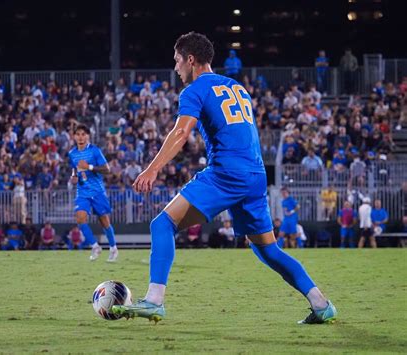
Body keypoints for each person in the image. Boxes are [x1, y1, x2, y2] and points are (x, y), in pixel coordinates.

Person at [112, 32, 337, 324]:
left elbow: (181, 132)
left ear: (190, 60)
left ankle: (154, 300)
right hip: (255, 175)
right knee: (267, 249)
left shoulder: (194, 89)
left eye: (178, 61)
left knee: (162, 223)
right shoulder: (236, 87)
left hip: (226, 173)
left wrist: (153, 168)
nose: (176, 68)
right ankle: (321, 303)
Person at [68, 124, 118, 262]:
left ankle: (113, 248)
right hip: (82, 192)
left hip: (97, 192)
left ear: (88, 136)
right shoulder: (72, 153)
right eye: (78, 134)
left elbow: (107, 169)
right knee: (80, 218)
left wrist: (89, 167)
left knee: (104, 221)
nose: (80, 137)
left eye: (83, 134)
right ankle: (95, 246)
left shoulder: (95, 151)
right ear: (74, 136)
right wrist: (73, 176)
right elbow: (74, 168)